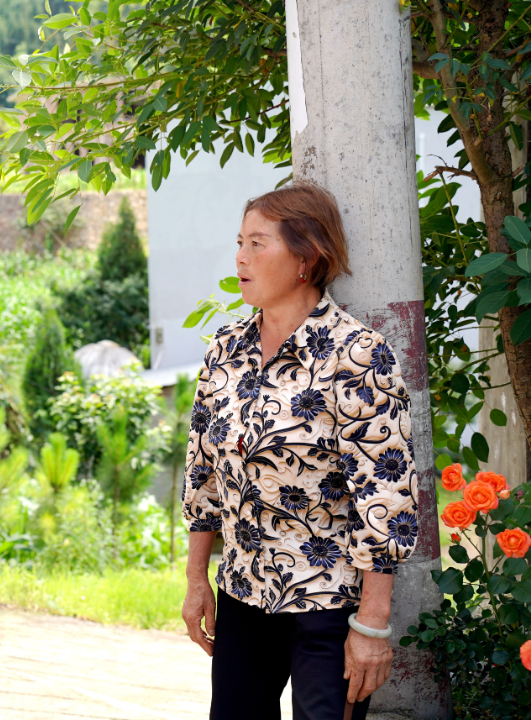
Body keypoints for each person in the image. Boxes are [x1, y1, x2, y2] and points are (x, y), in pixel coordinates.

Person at [180, 182, 419, 720]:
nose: (240, 258)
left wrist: (372, 627)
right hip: (244, 594)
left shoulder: (357, 355)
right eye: (239, 242)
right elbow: (203, 479)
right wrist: (198, 581)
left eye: (258, 244)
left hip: (329, 605)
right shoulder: (225, 350)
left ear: (307, 257)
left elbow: (386, 500)